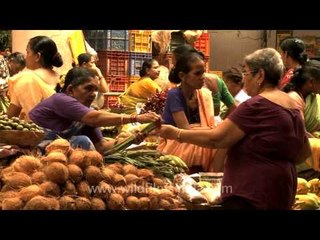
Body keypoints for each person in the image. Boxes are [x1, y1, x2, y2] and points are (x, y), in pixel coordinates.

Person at [158, 48, 311, 209]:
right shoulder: (292, 104)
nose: (243, 81)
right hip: (283, 189)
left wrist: (177, 133)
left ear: (260, 75)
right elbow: (303, 153)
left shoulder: (256, 105)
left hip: (251, 192)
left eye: (245, 73)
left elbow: (216, 139)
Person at [29, 67, 160, 154]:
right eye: (88, 88)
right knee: (82, 140)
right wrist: (134, 118)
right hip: (32, 153)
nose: (93, 94)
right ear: (70, 90)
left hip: (57, 156)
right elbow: (94, 118)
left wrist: (130, 140)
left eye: (95, 90)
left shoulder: (85, 114)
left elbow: (101, 146)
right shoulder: (61, 99)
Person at [158, 52, 224, 172]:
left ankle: (215, 178)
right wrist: (213, 132)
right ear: (183, 76)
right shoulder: (174, 95)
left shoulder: (203, 94)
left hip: (195, 142)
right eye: (197, 73)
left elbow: (211, 121)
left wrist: (215, 131)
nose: (203, 77)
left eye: (203, 72)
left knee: (224, 141)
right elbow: (186, 133)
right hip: (178, 146)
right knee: (218, 140)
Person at [7, 36, 63, 121]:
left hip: (35, 133)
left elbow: (10, 116)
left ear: (37, 56)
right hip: (60, 132)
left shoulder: (26, 78)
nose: (25, 57)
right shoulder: (61, 78)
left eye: (28, 52)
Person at [283, 60, 320, 178]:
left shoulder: (312, 97)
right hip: (298, 158)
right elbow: (300, 133)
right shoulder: (293, 98)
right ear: (311, 82)